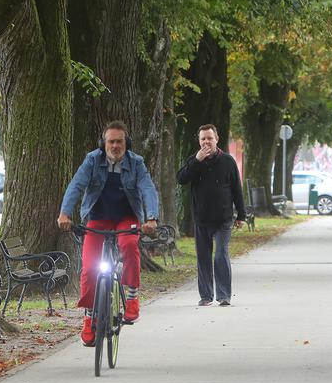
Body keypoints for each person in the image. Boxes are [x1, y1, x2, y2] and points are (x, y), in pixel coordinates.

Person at [58, 120, 160, 346]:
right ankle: (89, 316)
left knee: (129, 246)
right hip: (98, 218)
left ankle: (132, 296)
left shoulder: (137, 164)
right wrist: (65, 213)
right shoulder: (92, 160)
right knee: (89, 266)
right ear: (103, 143)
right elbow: (76, 185)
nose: (115, 146)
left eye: (119, 142)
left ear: (127, 143)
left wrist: (151, 217)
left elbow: (147, 189)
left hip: (127, 217)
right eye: (111, 141)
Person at [176, 124, 246, 307]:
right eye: (203, 139)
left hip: (223, 218)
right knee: (203, 257)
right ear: (199, 141)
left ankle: (224, 295)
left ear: (217, 139)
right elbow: (181, 178)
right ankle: (206, 295)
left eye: (209, 138)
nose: (206, 142)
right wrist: (196, 161)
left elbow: (237, 190)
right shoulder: (194, 160)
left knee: (220, 254)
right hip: (201, 218)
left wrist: (241, 215)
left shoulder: (228, 161)